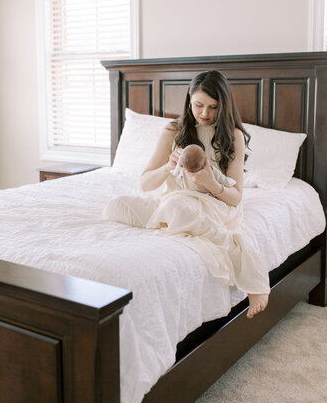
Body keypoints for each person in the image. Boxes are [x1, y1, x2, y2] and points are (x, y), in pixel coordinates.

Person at [104, 70, 270, 319]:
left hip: (213, 205)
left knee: (180, 208)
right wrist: (167, 168)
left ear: (223, 106)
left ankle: (251, 273)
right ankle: (173, 222)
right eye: (198, 105)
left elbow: (236, 198)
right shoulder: (173, 130)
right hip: (171, 201)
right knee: (116, 206)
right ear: (189, 101)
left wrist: (210, 182)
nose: (204, 114)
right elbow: (145, 184)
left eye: (212, 107)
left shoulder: (233, 136)